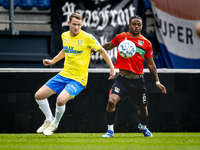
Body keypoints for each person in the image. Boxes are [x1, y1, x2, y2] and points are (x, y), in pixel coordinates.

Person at [34, 13, 115, 136]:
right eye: (74, 24)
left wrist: (112, 68)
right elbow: (65, 50)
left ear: (82, 25)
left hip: (78, 79)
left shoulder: (88, 37)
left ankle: (55, 124)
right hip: (63, 75)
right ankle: (48, 119)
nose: (76, 27)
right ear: (69, 24)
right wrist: (52, 61)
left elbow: (102, 50)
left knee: (60, 101)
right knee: (39, 95)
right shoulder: (64, 36)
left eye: (79, 25)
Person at [100, 15, 167, 137]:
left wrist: (157, 82)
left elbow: (151, 65)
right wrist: (97, 48)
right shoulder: (122, 37)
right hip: (122, 80)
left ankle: (143, 127)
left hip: (138, 82)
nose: (136, 26)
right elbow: (109, 46)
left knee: (143, 109)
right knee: (111, 101)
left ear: (142, 26)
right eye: (134, 24)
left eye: (139, 25)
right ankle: (110, 130)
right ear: (129, 25)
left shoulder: (146, 43)